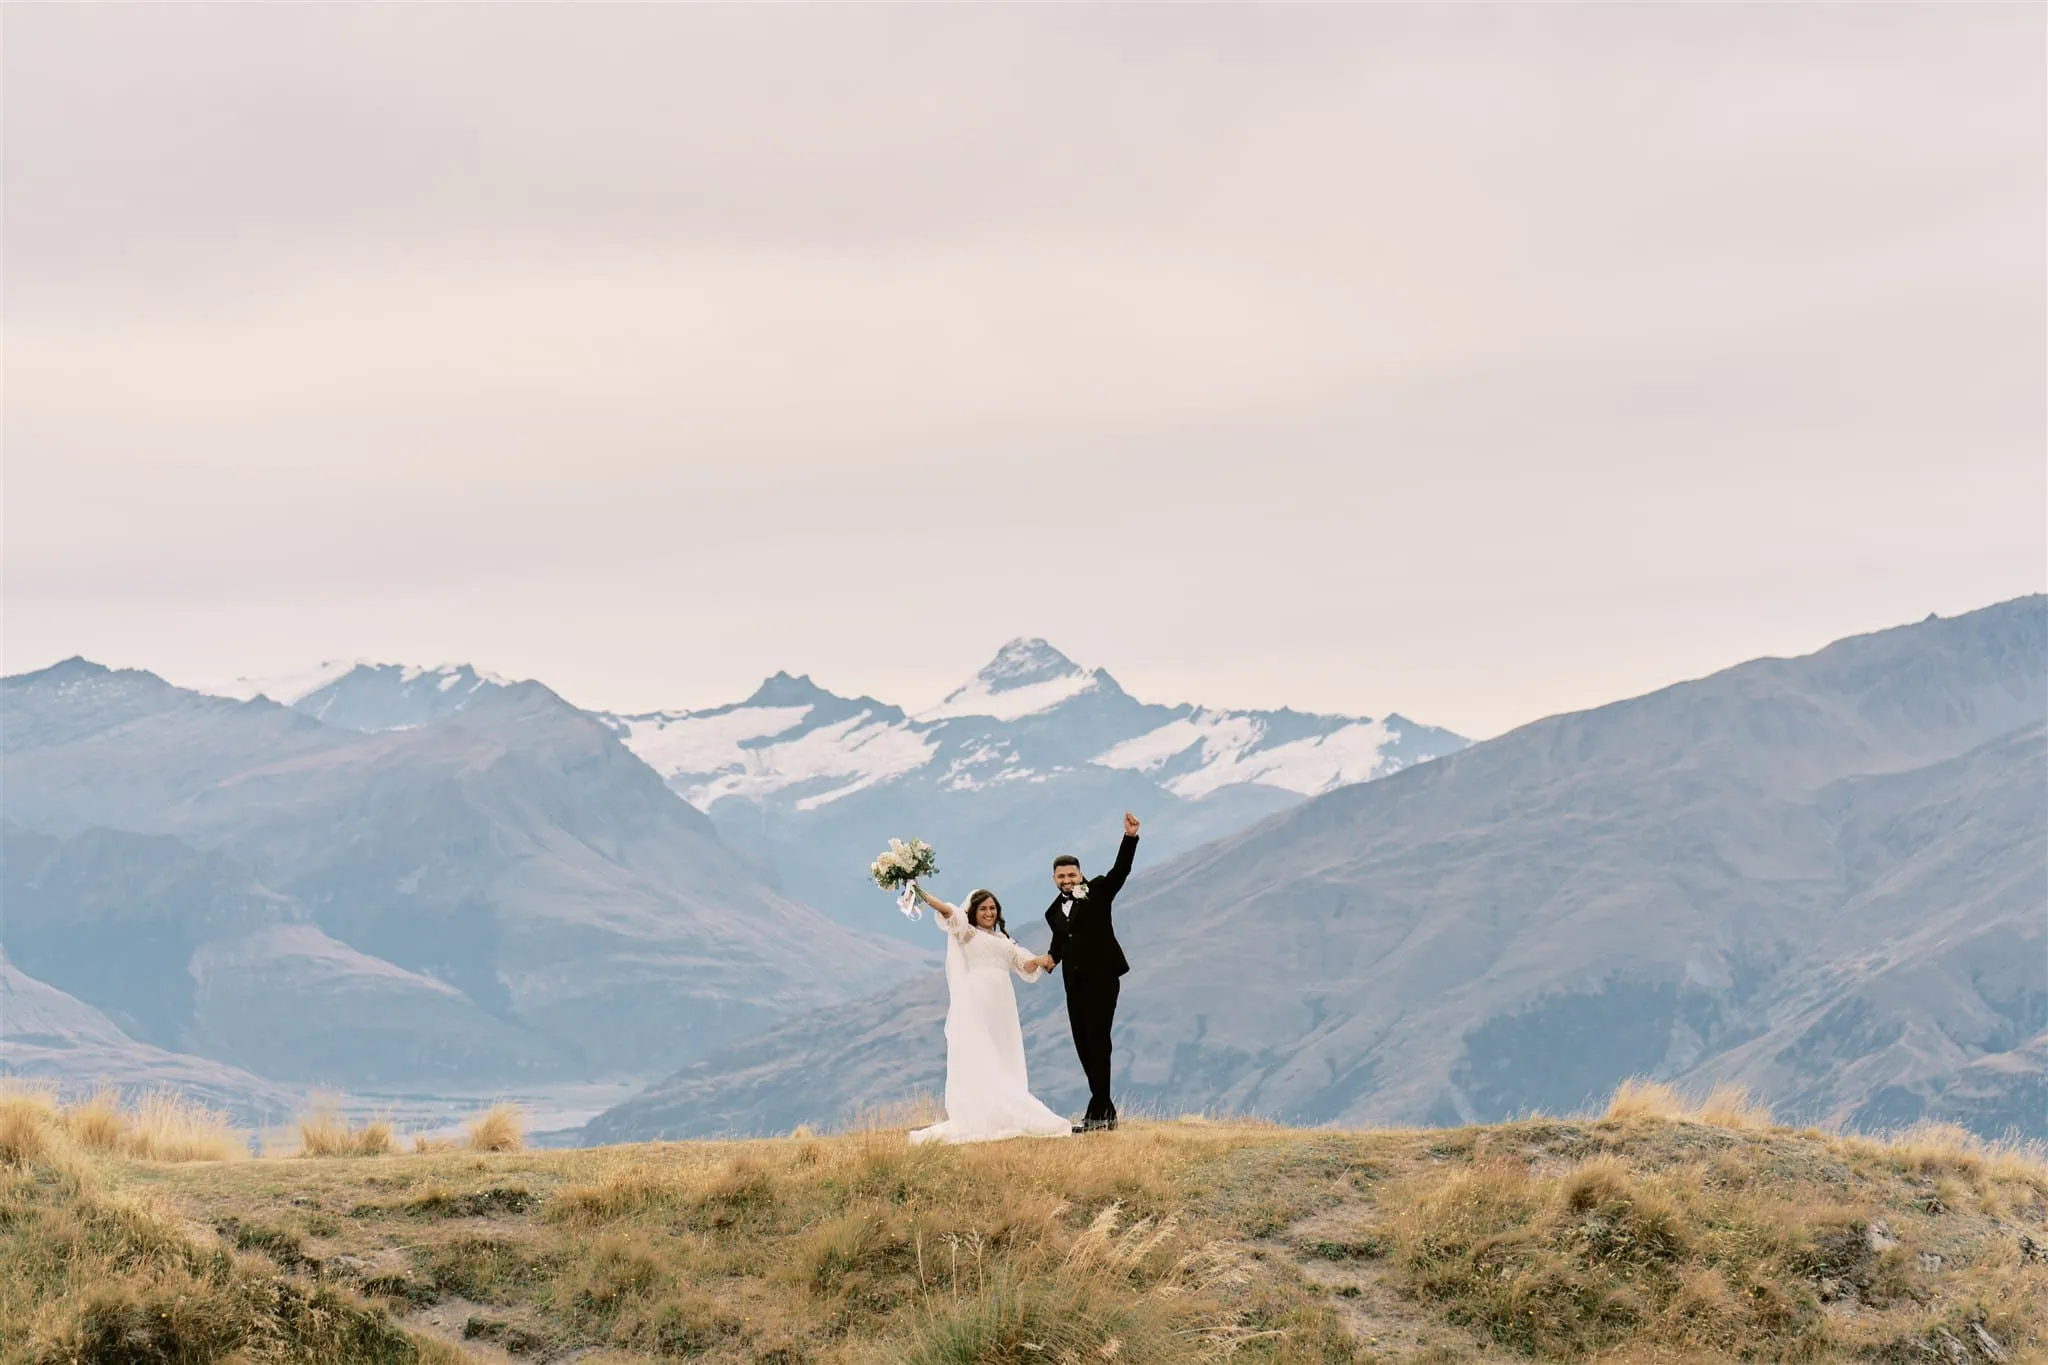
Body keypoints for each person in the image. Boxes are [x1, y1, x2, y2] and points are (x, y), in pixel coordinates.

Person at [905, 884, 1071, 1145]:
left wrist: (1044, 958)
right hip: (976, 1000)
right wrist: (919, 891)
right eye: (983, 908)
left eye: (993, 908)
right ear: (973, 911)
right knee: (983, 1053)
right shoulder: (968, 933)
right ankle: (981, 1112)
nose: (989, 912)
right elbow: (946, 910)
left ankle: (1003, 1110)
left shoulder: (1004, 940)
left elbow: (1023, 964)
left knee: (1002, 1051)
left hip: (1002, 1002)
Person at [1045, 812, 1140, 1131]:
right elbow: (1059, 943)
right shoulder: (1053, 911)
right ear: (1055, 879)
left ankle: (1096, 1115)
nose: (1067, 880)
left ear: (1080, 874)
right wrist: (1044, 961)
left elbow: (1120, 871)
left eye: (1071, 875)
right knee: (1083, 1045)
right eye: (1061, 877)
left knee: (1099, 1042)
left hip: (1102, 979)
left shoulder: (1098, 890)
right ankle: (1106, 1113)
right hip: (1073, 985)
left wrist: (1130, 838)